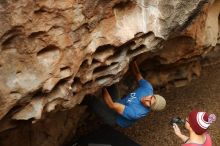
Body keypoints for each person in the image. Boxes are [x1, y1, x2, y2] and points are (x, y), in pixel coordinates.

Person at [90, 61, 166, 128]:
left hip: (115, 118)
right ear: (153, 94)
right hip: (119, 103)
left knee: (91, 99)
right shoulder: (148, 89)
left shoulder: (136, 113)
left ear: (150, 108)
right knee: (111, 82)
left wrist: (102, 85)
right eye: (151, 97)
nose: (147, 99)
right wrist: (133, 60)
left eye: (149, 103)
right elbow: (137, 74)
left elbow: (111, 105)